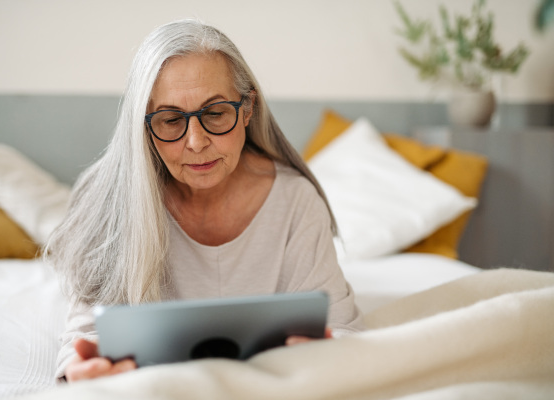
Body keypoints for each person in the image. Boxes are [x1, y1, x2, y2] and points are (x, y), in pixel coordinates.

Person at [45, 19, 364, 383]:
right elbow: (86, 336)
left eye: (215, 113)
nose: (196, 142)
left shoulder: (295, 201)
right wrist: (84, 369)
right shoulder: (106, 198)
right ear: (144, 127)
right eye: (169, 120)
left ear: (247, 110)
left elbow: (339, 328)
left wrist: (323, 353)